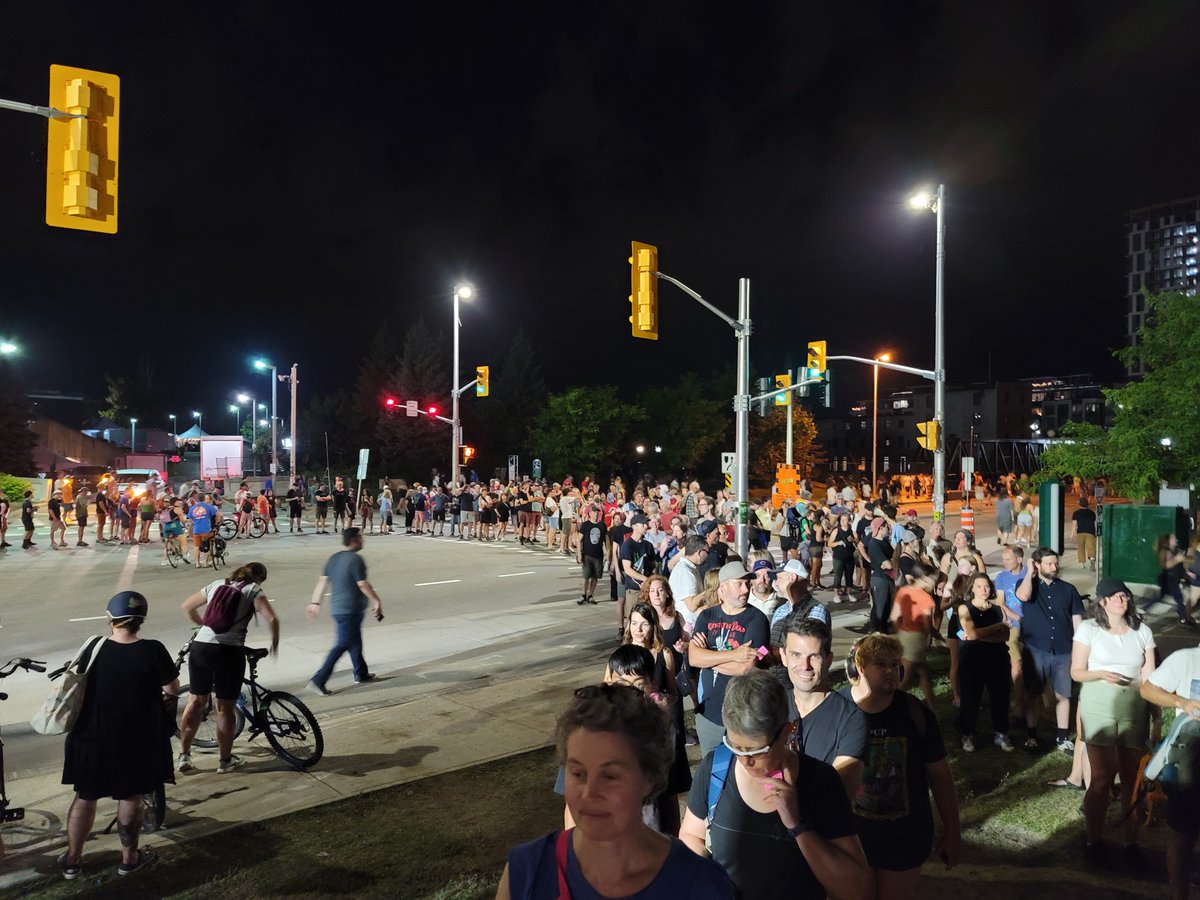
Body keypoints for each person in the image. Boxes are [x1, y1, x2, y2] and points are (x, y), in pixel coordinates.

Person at [497, 682, 735, 899]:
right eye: (577, 773)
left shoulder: (701, 885)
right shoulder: (527, 871)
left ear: (649, 778)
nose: (589, 793)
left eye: (610, 776)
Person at [678, 670, 871, 900]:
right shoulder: (715, 769)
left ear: (786, 732)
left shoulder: (820, 783)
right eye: (735, 747)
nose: (744, 760)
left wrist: (797, 826)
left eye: (756, 751)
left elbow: (857, 889)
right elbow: (692, 835)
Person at [58, 591, 179, 879]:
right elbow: (172, 689)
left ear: (110, 618)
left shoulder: (93, 647)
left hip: (92, 734)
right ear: (141, 621)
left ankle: (73, 860)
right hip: (136, 737)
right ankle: (129, 858)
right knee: (130, 796)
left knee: (85, 796)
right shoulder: (153, 649)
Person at [847, 634, 962, 899]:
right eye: (880, 664)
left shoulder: (916, 713)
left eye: (894, 664)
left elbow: (941, 776)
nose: (891, 671)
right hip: (852, 840)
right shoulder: (838, 710)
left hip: (904, 839)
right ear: (860, 667)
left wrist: (953, 832)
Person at [1071, 577, 1156, 867]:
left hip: (1134, 705)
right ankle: (1094, 841)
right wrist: (1101, 674)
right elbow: (1077, 672)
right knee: (1102, 778)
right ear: (1103, 602)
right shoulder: (1089, 629)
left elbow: (1150, 677)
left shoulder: (1142, 631)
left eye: (1124, 596)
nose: (1122, 600)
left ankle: (1131, 844)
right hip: (1099, 703)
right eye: (1115, 596)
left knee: (1132, 780)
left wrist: (1156, 713)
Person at [178, 562, 280, 774]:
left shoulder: (216, 584)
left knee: (196, 701)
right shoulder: (253, 589)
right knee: (225, 708)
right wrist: (275, 644)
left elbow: (187, 606)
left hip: (202, 648)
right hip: (229, 651)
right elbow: (272, 619)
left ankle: (185, 755)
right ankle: (225, 761)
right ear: (259, 578)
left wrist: (202, 626)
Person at [688, 562, 771, 756]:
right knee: (710, 771)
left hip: (743, 713)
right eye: (739, 584)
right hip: (709, 713)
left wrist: (708, 656)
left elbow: (745, 667)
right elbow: (693, 658)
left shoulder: (756, 619)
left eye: (747, 584)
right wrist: (734, 655)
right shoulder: (707, 616)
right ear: (722, 587)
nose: (746, 589)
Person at [1140, 639, 1200, 900]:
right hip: (1190, 762)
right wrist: (1181, 702)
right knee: (1183, 832)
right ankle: (1179, 895)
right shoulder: (1185, 658)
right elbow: (1148, 690)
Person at [781, 618, 867, 798]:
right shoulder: (771, 708)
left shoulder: (850, 719)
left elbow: (838, 793)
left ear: (829, 659)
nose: (805, 666)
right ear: (783, 657)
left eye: (814, 656)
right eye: (796, 655)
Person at [1015, 547, 1086, 752]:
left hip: (1063, 650)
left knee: (1063, 694)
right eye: (1048, 563)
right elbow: (1023, 596)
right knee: (1033, 692)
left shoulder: (1069, 590)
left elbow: (1078, 622)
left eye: (1055, 563)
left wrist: (1080, 650)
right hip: (1036, 649)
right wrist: (1029, 572)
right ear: (1037, 564)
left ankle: (1062, 738)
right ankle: (1032, 735)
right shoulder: (1027, 584)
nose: (1054, 567)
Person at [307, 527, 384, 693]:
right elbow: (362, 584)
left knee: (354, 640)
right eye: (361, 538)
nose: (363, 541)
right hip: (350, 610)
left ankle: (361, 673)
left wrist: (315, 602)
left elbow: (322, 582)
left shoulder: (334, 558)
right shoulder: (356, 559)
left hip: (338, 609)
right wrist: (376, 601)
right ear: (354, 540)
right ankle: (319, 679)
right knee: (343, 643)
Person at [956, 573, 1015, 753]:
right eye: (979, 586)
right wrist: (997, 628)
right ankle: (967, 734)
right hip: (973, 659)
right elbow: (973, 633)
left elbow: (1005, 636)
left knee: (1000, 697)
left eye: (987, 586)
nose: (984, 590)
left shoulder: (998, 609)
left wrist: (980, 635)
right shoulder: (964, 609)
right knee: (970, 697)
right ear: (972, 588)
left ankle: (1001, 733)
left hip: (997, 659)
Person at [890, 564, 937, 707]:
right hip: (916, 638)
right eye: (933, 578)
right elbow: (927, 623)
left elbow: (894, 617)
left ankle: (932, 703)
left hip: (903, 634)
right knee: (906, 677)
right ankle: (892, 705)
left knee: (923, 672)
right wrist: (934, 636)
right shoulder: (926, 598)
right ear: (924, 578)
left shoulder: (903, 591)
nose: (935, 582)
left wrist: (900, 631)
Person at [1149, 533, 1197, 627]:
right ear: (1168, 541)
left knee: (1162, 596)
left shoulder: (1174, 551)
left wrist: (1187, 568)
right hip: (1168, 578)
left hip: (1174, 578)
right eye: (1173, 538)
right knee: (1180, 598)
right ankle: (1183, 618)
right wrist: (1177, 560)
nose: (1176, 540)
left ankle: (1144, 608)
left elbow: (1181, 564)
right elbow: (1165, 565)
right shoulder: (1165, 551)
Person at [575, 504, 607, 606]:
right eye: (594, 512)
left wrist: (608, 554)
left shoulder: (602, 525)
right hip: (587, 554)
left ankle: (591, 595)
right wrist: (579, 554)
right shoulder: (586, 525)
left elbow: (606, 541)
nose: (596, 514)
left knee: (595, 577)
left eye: (598, 512)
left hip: (598, 555)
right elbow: (579, 539)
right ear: (590, 513)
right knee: (586, 576)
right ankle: (583, 594)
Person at [187, 492, 219, 569]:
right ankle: (206, 562)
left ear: (196, 499)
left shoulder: (192, 508)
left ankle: (197, 563)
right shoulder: (208, 506)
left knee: (196, 547)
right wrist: (218, 522)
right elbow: (218, 514)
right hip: (206, 530)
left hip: (196, 530)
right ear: (204, 498)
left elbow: (190, 520)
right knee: (207, 545)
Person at [1070, 498, 1098, 570]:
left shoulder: (1076, 513)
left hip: (1080, 532)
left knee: (1081, 548)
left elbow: (1074, 525)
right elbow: (1095, 523)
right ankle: (1092, 561)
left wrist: (1072, 534)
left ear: (1079, 504)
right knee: (1091, 548)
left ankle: (1083, 564)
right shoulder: (1092, 513)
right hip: (1090, 532)